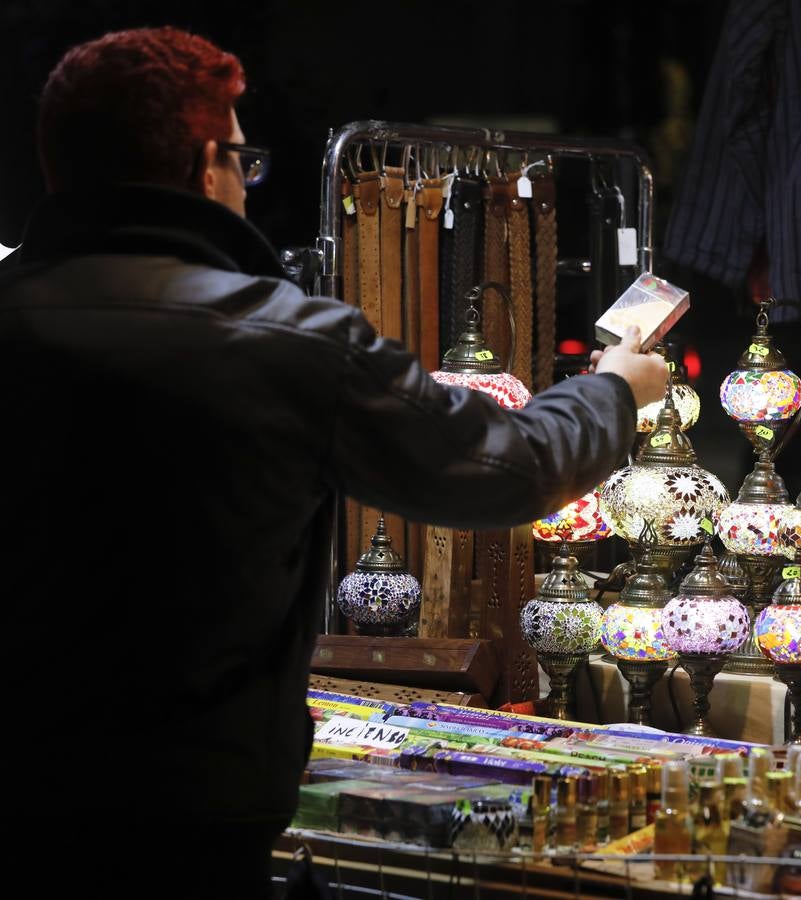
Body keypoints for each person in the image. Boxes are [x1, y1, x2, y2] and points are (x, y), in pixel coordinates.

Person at [0, 27, 667, 895]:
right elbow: (509, 468)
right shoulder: (286, 341)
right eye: (245, 160)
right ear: (208, 165)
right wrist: (614, 388)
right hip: (189, 810)